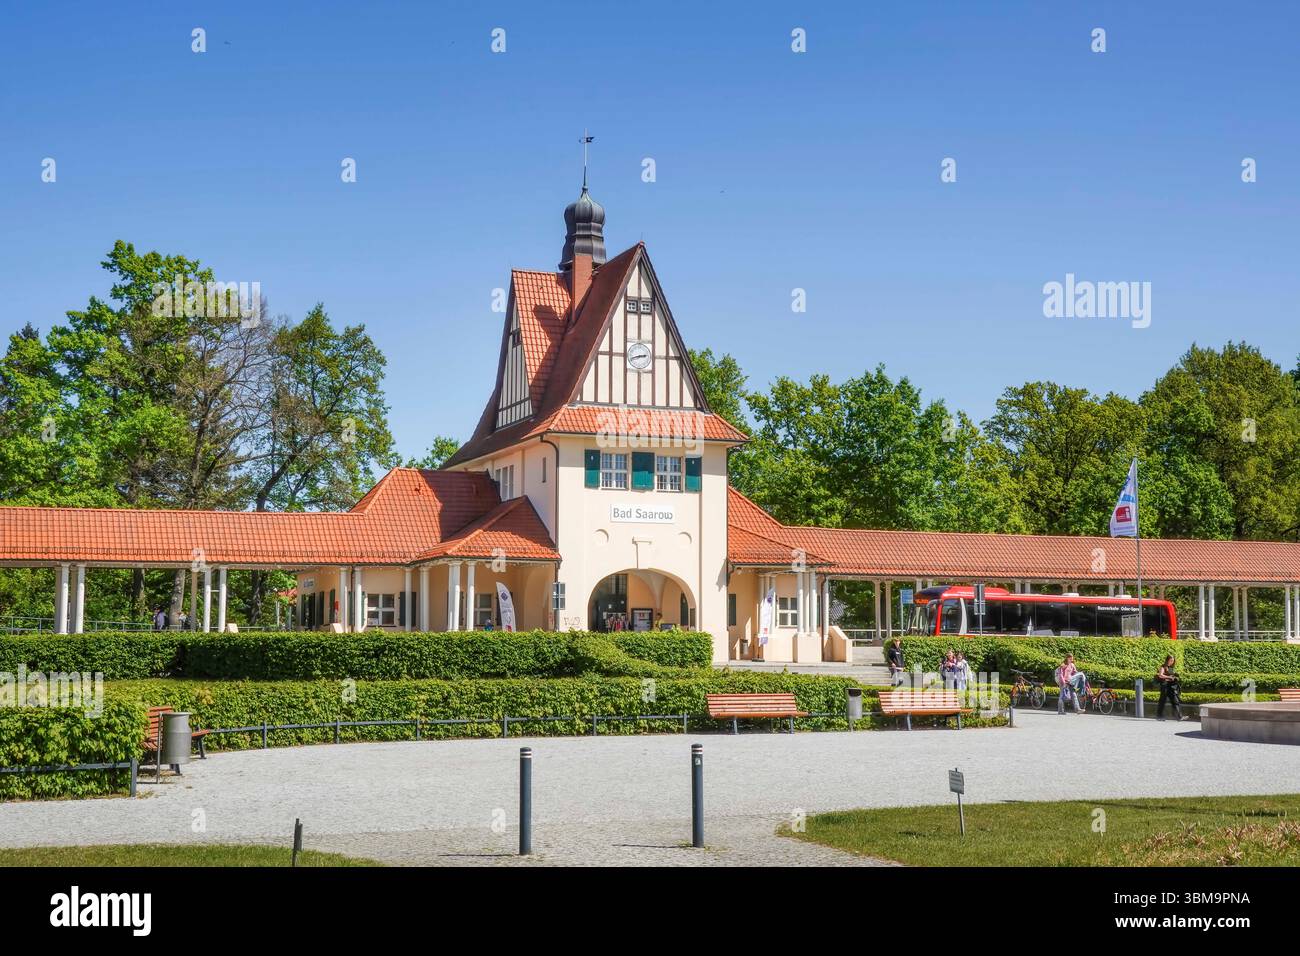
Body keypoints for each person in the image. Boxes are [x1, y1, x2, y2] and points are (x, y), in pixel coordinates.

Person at [1156, 654, 1182, 721]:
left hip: (1170, 686)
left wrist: (1175, 676)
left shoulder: (1171, 668)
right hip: (1164, 686)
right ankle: (1159, 716)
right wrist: (1169, 677)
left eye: (1173, 661)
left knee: (1175, 701)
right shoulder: (1163, 666)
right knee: (1162, 701)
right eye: (1170, 660)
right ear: (1167, 660)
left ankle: (1179, 716)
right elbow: (1160, 675)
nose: (1172, 662)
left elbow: (1171, 675)